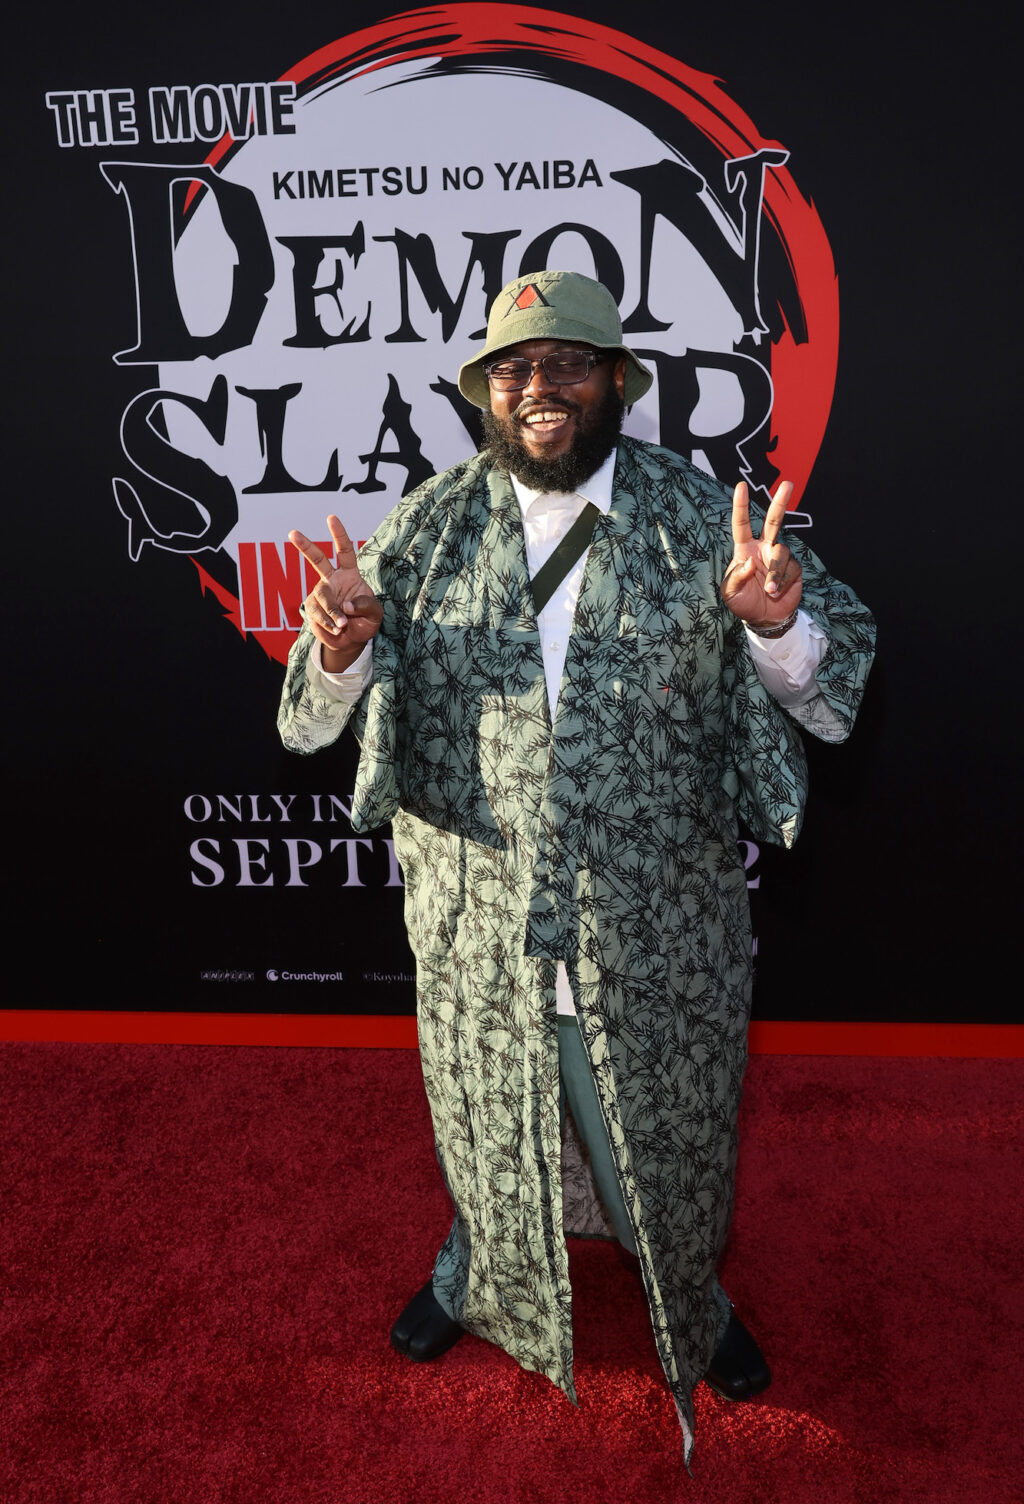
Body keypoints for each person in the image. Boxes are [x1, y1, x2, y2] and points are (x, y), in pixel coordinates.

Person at [278, 270, 874, 1460]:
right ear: (485, 394)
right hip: (481, 915)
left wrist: (771, 622)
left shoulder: (699, 519)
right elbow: (307, 720)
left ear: (615, 381)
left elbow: (831, 693)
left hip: (655, 915)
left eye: (566, 364)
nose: (539, 387)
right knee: (485, 1119)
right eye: (513, 368)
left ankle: (692, 1303)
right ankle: (473, 1278)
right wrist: (341, 649)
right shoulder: (428, 527)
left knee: (676, 1124)